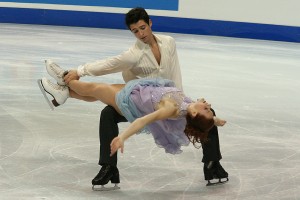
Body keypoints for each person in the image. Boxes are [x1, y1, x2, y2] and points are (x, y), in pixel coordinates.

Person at [42, 7, 228, 188]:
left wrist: (184, 102)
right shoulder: (134, 54)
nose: (140, 34)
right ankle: (108, 167)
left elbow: (175, 74)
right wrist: (80, 71)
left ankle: (213, 164)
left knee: (208, 116)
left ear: (150, 23)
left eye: (143, 28)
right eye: (135, 31)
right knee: (107, 111)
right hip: (138, 101)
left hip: (168, 101)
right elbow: (108, 65)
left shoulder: (169, 43)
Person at [38, 76, 226, 161]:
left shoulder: (172, 109)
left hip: (128, 101)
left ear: (194, 114)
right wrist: (215, 121)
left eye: (207, 110)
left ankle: (64, 80)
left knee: (94, 89)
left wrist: (122, 137)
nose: (208, 105)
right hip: (138, 91)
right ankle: (65, 94)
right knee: (97, 94)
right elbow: (202, 121)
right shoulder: (189, 107)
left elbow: (142, 122)